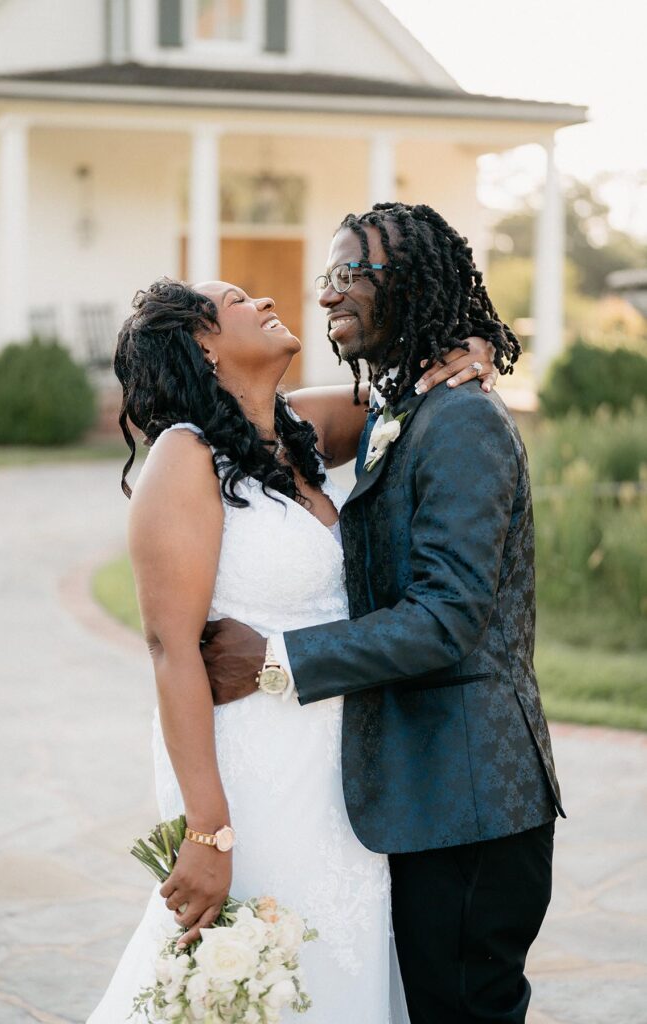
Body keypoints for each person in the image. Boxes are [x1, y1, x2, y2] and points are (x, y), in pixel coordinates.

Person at [85, 272, 496, 1024]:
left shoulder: (294, 428)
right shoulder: (184, 457)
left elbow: (412, 393)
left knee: (337, 962)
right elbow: (172, 651)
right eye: (238, 302)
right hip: (252, 771)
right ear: (202, 344)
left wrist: (470, 352)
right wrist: (207, 829)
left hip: (339, 771)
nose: (268, 302)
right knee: (252, 975)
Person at [200, 203, 565, 1024]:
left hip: (470, 802)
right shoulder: (403, 411)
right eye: (325, 277)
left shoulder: (462, 421)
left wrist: (276, 660)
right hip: (422, 795)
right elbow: (255, 422)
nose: (327, 296)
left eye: (349, 274)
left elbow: (446, 619)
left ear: (408, 284)